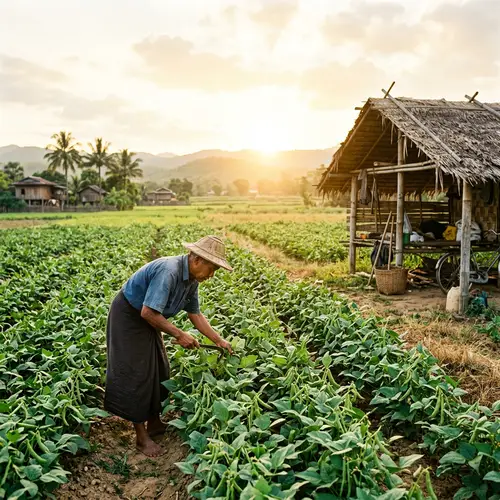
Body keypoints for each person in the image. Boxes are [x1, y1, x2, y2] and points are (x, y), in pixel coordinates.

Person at [104, 235, 233, 457]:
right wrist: (179, 333)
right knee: (138, 373)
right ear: (196, 259)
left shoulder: (192, 280)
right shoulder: (170, 271)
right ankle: (141, 438)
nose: (211, 276)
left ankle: (154, 422)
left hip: (149, 317)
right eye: (211, 269)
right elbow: (147, 312)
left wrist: (218, 340)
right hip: (129, 317)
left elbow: (195, 314)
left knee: (160, 368)